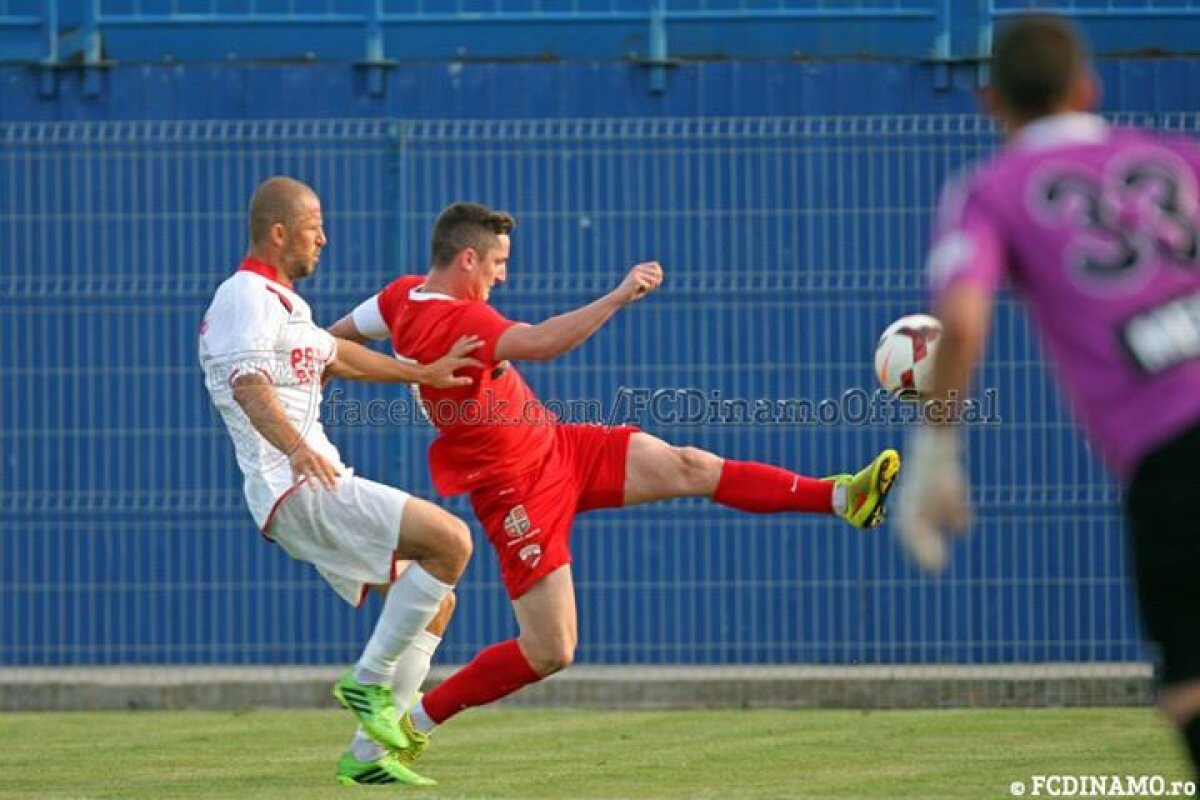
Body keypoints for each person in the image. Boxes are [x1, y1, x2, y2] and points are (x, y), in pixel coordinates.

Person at [328, 201, 901, 762]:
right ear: (469, 260)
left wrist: (314, 372)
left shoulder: (401, 297)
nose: (504, 273)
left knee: (690, 465)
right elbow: (547, 343)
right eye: (499, 262)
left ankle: (842, 496)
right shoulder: (460, 318)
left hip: (560, 447)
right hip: (515, 492)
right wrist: (619, 294)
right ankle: (418, 718)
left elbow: (334, 340)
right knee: (552, 649)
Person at [893, 15, 1200, 783]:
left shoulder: (990, 191)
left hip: (1175, 457)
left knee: (1192, 684)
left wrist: (934, 451)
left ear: (988, 99)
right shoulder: (1179, 157)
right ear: (1088, 86)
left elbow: (961, 322)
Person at [198, 176, 483, 787]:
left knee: (435, 601)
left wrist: (420, 370)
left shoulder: (288, 306)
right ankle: (367, 683)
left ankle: (365, 757)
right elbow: (248, 385)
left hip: (309, 483)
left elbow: (341, 356)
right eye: (313, 225)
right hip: (297, 487)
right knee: (452, 541)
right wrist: (298, 449)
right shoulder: (242, 297)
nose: (324, 238)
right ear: (279, 232)